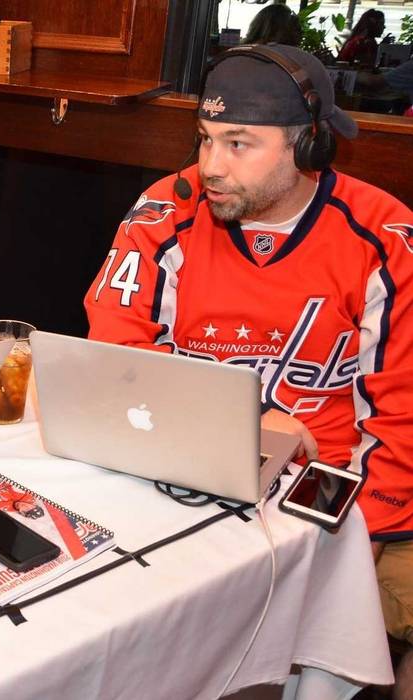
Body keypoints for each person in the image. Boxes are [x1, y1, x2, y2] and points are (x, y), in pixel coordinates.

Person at [84, 44, 413, 698]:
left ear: (309, 146)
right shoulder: (164, 209)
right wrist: (251, 415)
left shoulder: (386, 236)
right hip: (185, 456)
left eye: (238, 144)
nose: (210, 166)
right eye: (205, 138)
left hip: (334, 478)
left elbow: (402, 416)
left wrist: (356, 538)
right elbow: (115, 354)